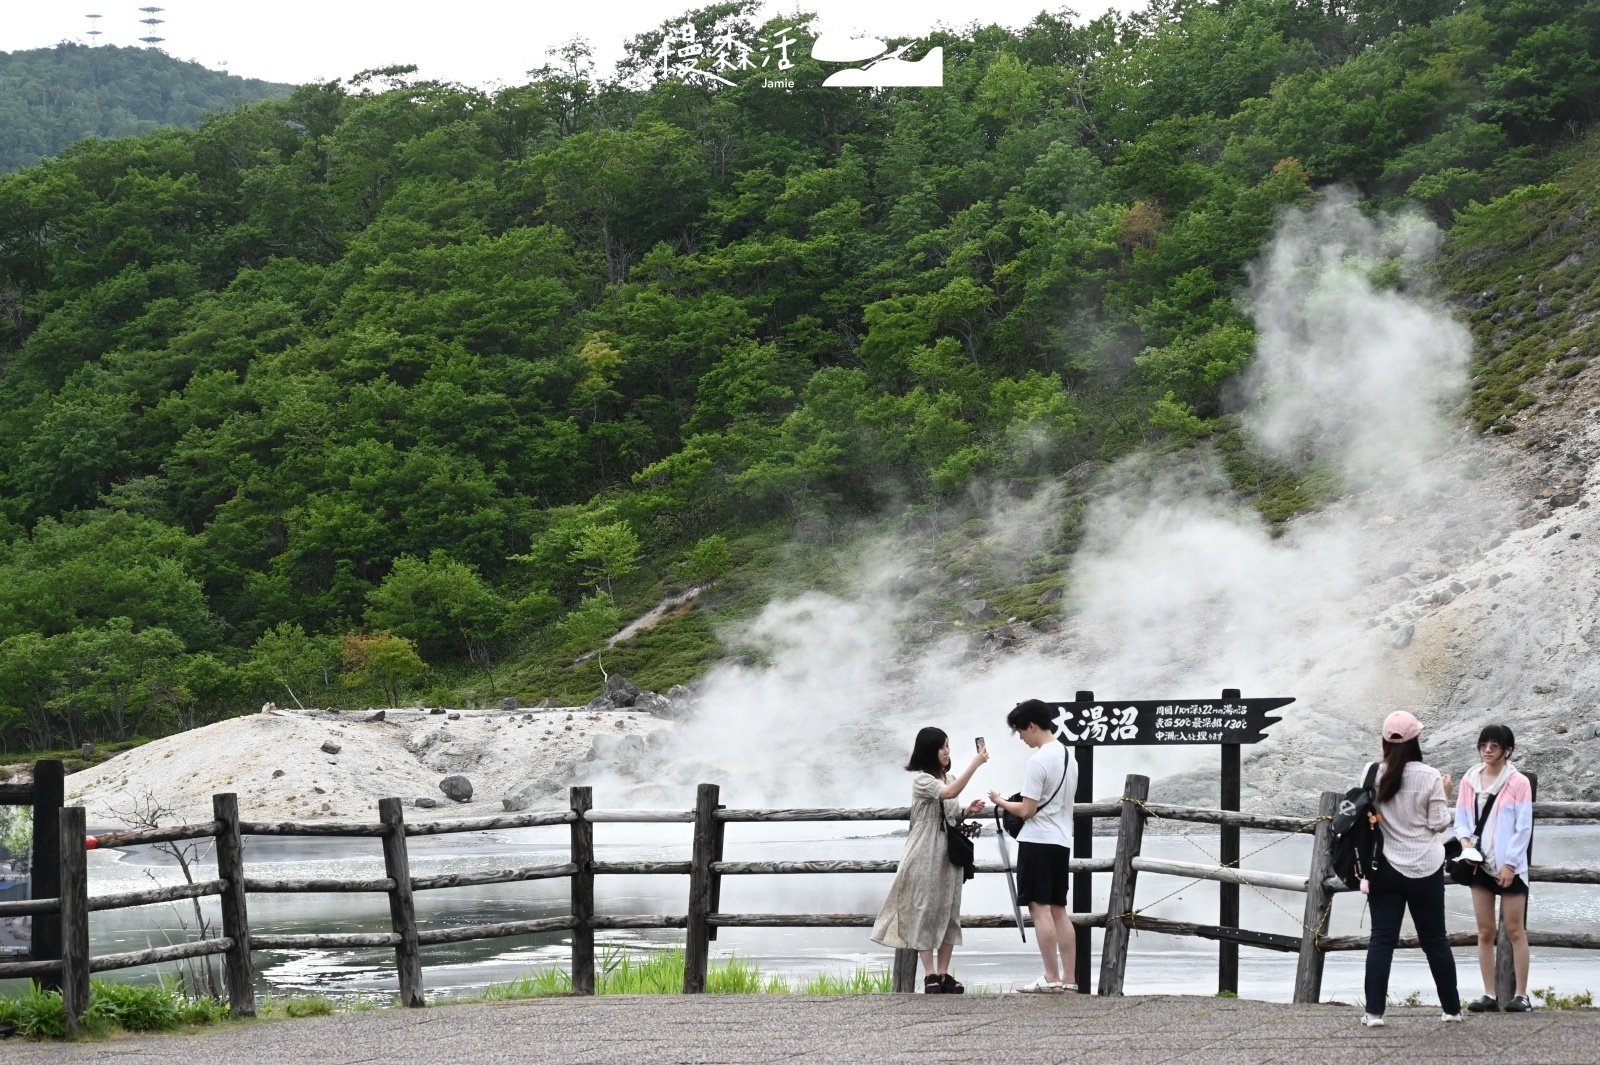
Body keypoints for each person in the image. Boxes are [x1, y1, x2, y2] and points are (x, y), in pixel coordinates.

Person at [1359, 710, 1462, 1027]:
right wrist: (1445, 795)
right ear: (1416, 739)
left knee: (1381, 939)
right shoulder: (1430, 776)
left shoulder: (1371, 772)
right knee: (1434, 940)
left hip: (1384, 866)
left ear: (1384, 740)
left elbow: (1365, 817)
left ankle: (1374, 1012)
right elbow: (1438, 825)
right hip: (1425, 868)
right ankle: (1451, 1010)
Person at [871, 726, 987, 994]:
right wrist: (976, 763)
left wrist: (966, 811)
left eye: (947, 745)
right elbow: (946, 794)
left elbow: (951, 813)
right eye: (941, 746)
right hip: (924, 851)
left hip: (947, 853)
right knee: (924, 908)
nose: (946, 751)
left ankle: (944, 974)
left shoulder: (950, 778)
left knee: (948, 909)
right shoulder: (923, 780)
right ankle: (930, 974)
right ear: (928, 751)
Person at [988, 699, 1077, 994]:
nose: (1022, 738)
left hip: (1037, 841)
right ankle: (1069, 979)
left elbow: (1027, 811)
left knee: (1039, 910)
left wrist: (1000, 801)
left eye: (1020, 731)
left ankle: (1050, 977)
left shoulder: (1038, 761)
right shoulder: (1067, 755)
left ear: (1032, 725)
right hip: (1062, 841)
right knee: (1059, 910)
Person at [1456, 723, 1534, 1013]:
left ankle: (1522, 995)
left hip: (1510, 866)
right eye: (1483, 745)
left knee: (1515, 929)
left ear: (1507, 750)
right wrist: (1465, 845)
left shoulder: (1518, 782)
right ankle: (1489, 994)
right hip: (1479, 863)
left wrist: (1511, 864)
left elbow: (1523, 827)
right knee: (1485, 930)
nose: (1488, 751)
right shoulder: (1469, 778)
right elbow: (1462, 817)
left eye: (1494, 746)